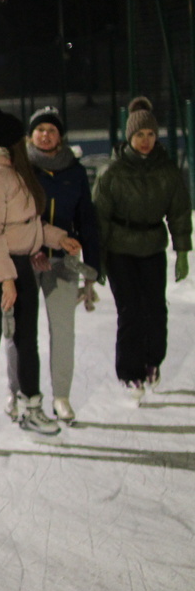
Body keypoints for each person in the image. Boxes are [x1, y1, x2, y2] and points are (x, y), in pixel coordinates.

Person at [0, 107, 82, 444]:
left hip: (19, 262)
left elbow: (27, 224)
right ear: (10, 143)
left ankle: (31, 408)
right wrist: (7, 280)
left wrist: (58, 238)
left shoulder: (13, 172)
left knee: (28, 341)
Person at [3, 108, 101, 423]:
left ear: (61, 136)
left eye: (52, 130)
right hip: (25, 259)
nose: (45, 135)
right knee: (20, 330)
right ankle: (17, 391)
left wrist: (93, 269)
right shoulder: (20, 168)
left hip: (63, 262)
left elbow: (87, 219)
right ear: (30, 136)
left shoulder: (74, 171)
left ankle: (61, 397)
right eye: (40, 129)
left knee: (63, 332)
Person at [94, 97, 192, 399]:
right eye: (139, 135)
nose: (146, 140)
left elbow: (178, 212)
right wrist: (97, 259)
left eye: (150, 134)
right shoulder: (112, 172)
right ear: (129, 137)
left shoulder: (168, 171)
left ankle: (152, 362)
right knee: (131, 310)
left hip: (152, 246)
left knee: (155, 309)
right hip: (120, 249)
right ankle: (129, 372)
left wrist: (182, 252)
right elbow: (99, 218)